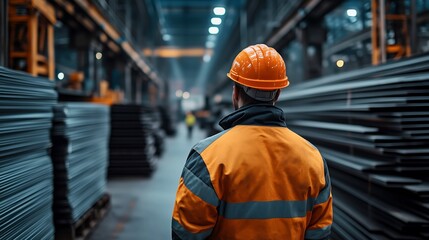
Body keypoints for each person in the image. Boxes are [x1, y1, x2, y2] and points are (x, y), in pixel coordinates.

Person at [171, 44, 333, 240]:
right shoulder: (312, 157)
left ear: (235, 93)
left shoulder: (207, 156)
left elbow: (186, 233)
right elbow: (320, 233)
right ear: (278, 94)